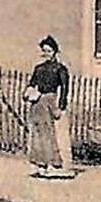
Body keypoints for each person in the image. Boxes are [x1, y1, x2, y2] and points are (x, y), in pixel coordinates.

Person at [25, 35, 74, 179]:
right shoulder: (38, 68)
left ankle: (54, 164)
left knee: (51, 134)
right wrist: (28, 93)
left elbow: (65, 88)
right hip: (37, 102)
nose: (46, 54)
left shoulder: (60, 69)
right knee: (38, 133)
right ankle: (40, 164)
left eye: (49, 51)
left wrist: (61, 106)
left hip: (50, 101)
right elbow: (32, 84)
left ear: (55, 51)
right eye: (44, 51)